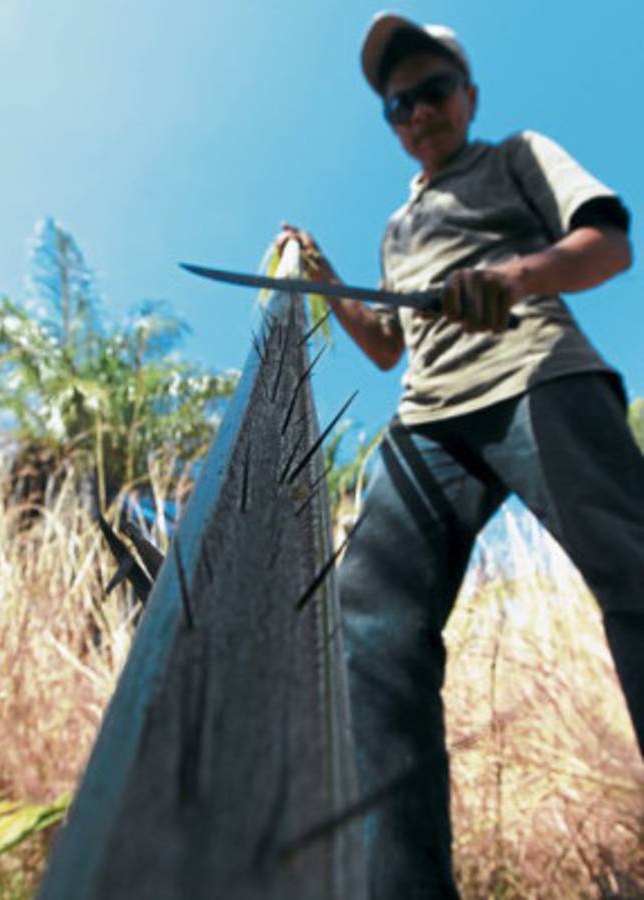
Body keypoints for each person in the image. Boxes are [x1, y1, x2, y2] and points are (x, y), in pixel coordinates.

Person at [276, 12, 642, 899]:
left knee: (631, 570)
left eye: (432, 90)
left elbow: (609, 246)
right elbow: (387, 347)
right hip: (426, 421)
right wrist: (326, 283)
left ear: (466, 94)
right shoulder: (397, 227)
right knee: (369, 630)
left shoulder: (514, 155)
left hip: (537, 375)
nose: (417, 113)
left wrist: (511, 278)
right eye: (398, 105)